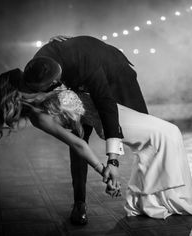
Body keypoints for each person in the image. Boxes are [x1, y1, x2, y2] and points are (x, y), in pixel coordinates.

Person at [0, 78, 192, 219]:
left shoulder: (44, 86)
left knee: (167, 135)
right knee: (168, 133)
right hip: (110, 123)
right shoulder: (39, 117)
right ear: (15, 89)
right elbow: (77, 143)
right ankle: (157, 200)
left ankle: (155, 199)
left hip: (112, 111)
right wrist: (103, 168)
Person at [21, 35, 148, 224]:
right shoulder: (38, 66)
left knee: (145, 132)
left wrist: (112, 160)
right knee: (78, 135)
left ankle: (149, 195)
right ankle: (79, 203)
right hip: (77, 84)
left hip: (116, 76)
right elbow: (77, 142)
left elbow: (106, 104)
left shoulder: (85, 65)